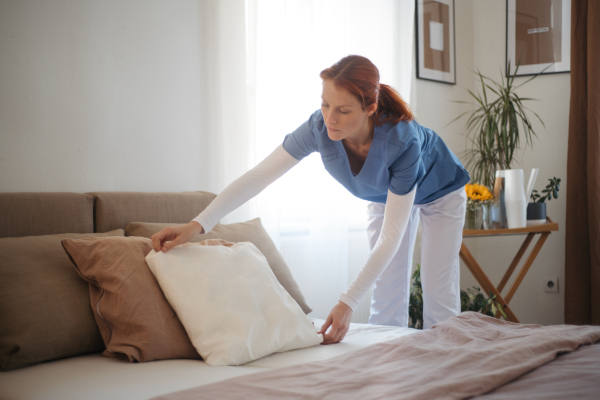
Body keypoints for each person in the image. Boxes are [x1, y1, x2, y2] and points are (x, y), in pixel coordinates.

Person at [151, 55, 470, 345]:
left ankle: (448, 364)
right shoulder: (317, 128)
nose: (330, 118)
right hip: (386, 197)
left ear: (370, 109)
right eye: (325, 105)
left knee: (437, 291)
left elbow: (392, 235)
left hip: (441, 194)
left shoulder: (403, 141)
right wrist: (197, 224)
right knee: (387, 290)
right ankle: (387, 367)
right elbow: (259, 176)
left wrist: (347, 302)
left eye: (343, 110)